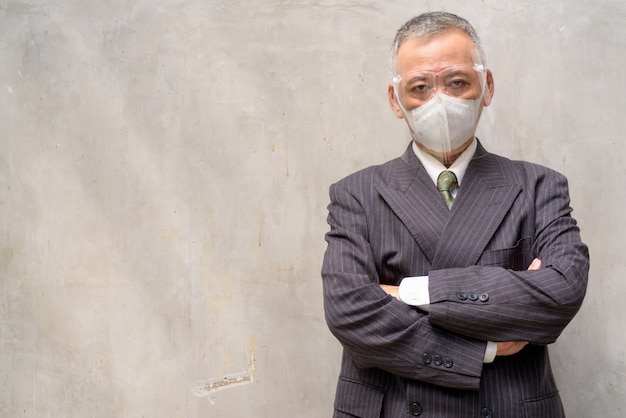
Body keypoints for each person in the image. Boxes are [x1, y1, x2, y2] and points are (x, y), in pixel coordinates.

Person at [321, 11, 589, 418]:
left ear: (487, 86)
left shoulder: (538, 186)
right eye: (419, 87)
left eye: (457, 82)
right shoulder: (356, 194)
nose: (439, 101)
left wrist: (409, 293)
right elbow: (350, 313)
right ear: (396, 100)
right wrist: (483, 348)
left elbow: (560, 293)